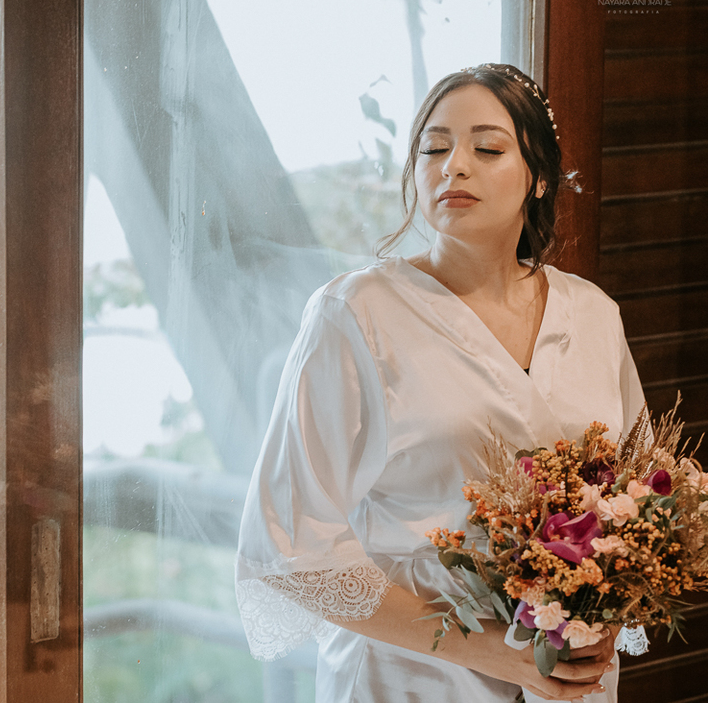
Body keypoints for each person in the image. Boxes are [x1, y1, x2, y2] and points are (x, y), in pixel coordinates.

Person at [235, 64, 647, 702]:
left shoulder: (593, 313)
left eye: (488, 149)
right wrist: (495, 653)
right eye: (433, 149)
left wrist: (601, 616)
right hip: (408, 678)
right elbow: (290, 543)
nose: (454, 166)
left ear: (539, 176)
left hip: (570, 676)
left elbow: (642, 502)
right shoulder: (356, 313)